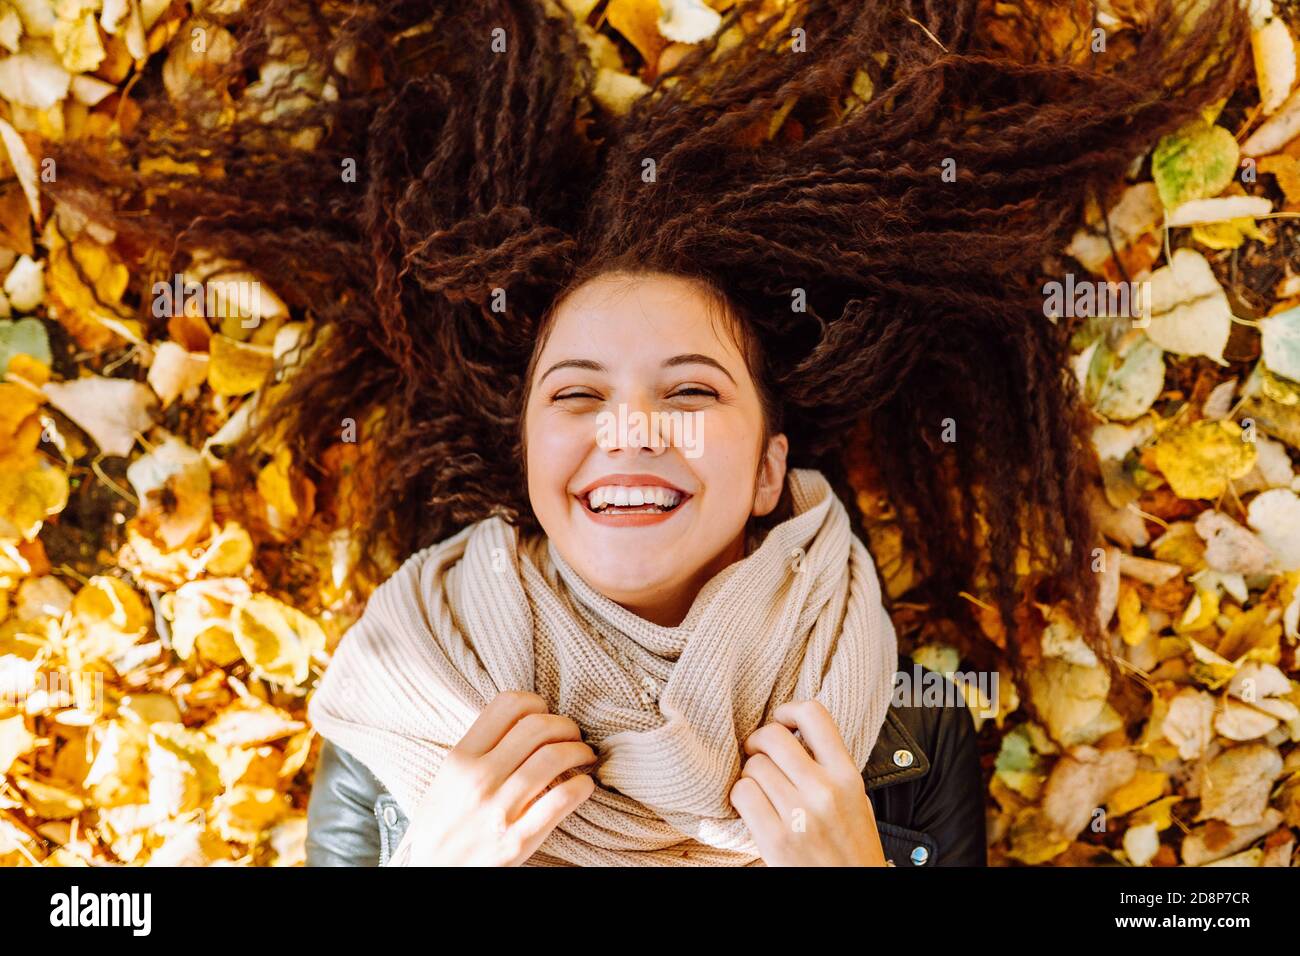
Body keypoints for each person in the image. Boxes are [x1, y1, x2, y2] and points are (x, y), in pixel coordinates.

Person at [51, 0, 1250, 865]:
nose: (627, 427)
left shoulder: (896, 721)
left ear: (773, 468)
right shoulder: (410, 696)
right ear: (529, 460)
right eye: (574, 395)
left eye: (688, 393)